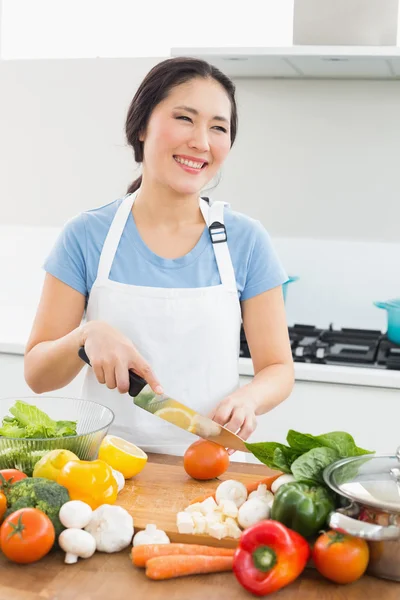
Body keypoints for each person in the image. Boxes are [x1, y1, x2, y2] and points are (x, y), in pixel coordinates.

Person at [24, 57, 294, 456]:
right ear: (141, 126)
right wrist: (85, 336)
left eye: (218, 127)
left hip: (207, 467)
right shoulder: (86, 235)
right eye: (185, 118)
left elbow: (278, 368)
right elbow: (38, 375)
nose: (202, 141)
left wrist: (250, 398)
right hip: (97, 471)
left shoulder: (246, 240)